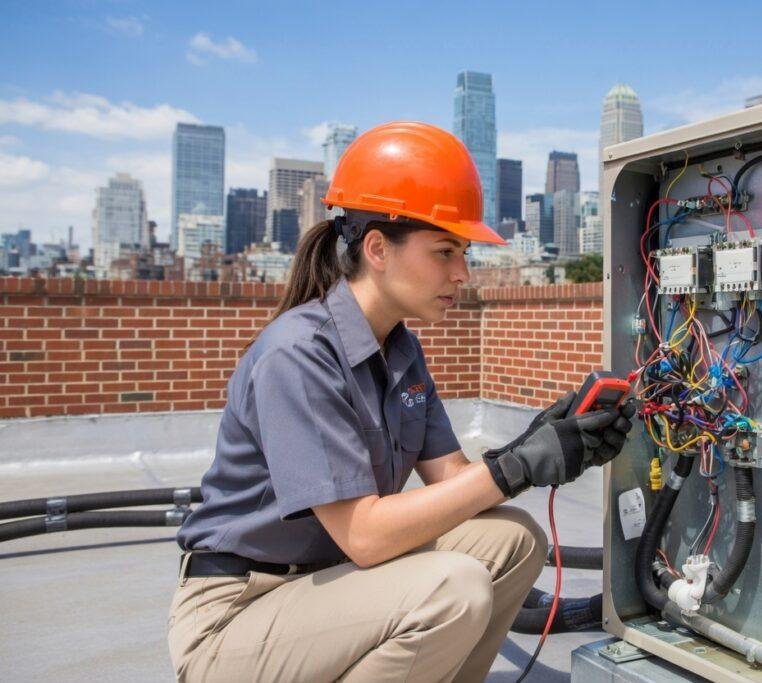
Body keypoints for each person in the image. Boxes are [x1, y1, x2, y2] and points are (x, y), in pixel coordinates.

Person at [167, 121, 634, 682]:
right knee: (452, 590)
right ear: (377, 249)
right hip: (238, 616)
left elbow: (456, 483)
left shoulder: (401, 349)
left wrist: (540, 444)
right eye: (445, 251)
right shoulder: (298, 354)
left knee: (513, 539)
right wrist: (515, 467)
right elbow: (364, 535)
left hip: (325, 585)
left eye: (462, 253)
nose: (462, 273)